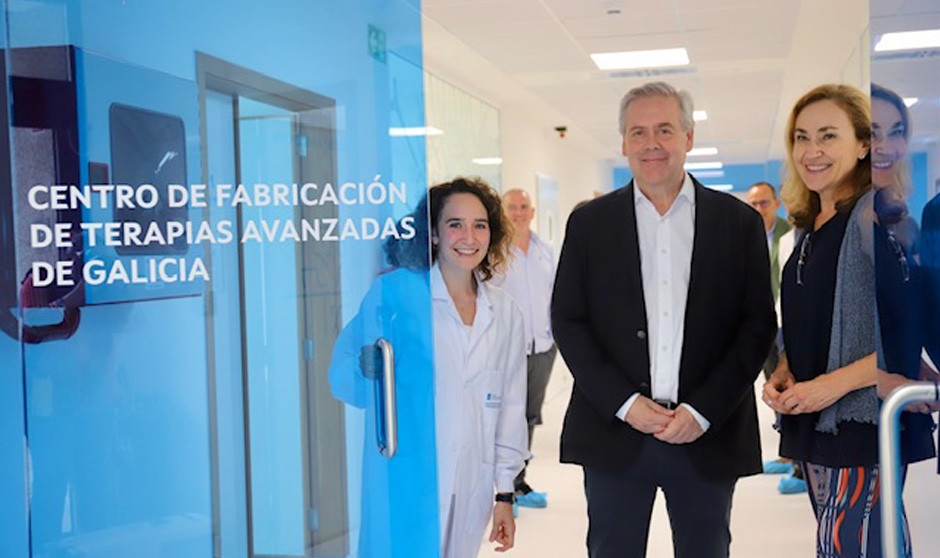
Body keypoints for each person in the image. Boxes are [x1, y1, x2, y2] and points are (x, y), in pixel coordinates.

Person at [552, 81, 776, 558]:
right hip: (614, 431)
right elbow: (569, 321)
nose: (651, 143)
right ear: (623, 143)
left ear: (688, 138)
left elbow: (757, 325)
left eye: (664, 130)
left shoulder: (738, 223)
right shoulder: (589, 224)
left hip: (705, 433)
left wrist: (703, 410)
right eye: (638, 132)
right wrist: (624, 402)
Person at [335, 177, 529, 557]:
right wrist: (366, 369)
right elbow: (342, 379)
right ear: (435, 233)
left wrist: (504, 494)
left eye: (480, 225)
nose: (468, 237)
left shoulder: (505, 312)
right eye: (455, 224)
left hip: (470, 483)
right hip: (406, 476)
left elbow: (509, 406)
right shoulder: (395, 293)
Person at [761, 83, 905, 557]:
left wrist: (829, 386)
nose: (812, 150)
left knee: (848, 545)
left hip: (861, 422)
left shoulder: (871, 216)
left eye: (828, 135)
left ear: (863, 144)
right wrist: (785, 369)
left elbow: (901, 335)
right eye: (801, 137)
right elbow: (811, 320)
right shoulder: (809, 225)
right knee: (851, 545)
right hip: (818, 422)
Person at [491, 188, 556, 509]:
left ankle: (519, 483)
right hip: (506, 350)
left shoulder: (546, 251)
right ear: (502, 212)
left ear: (532, 212)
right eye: (512, 207)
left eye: (524, 207)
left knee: (529, 416)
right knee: (506, 416)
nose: (518, 212)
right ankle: (501, 489)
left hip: (542, 347)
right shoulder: (494, 252)